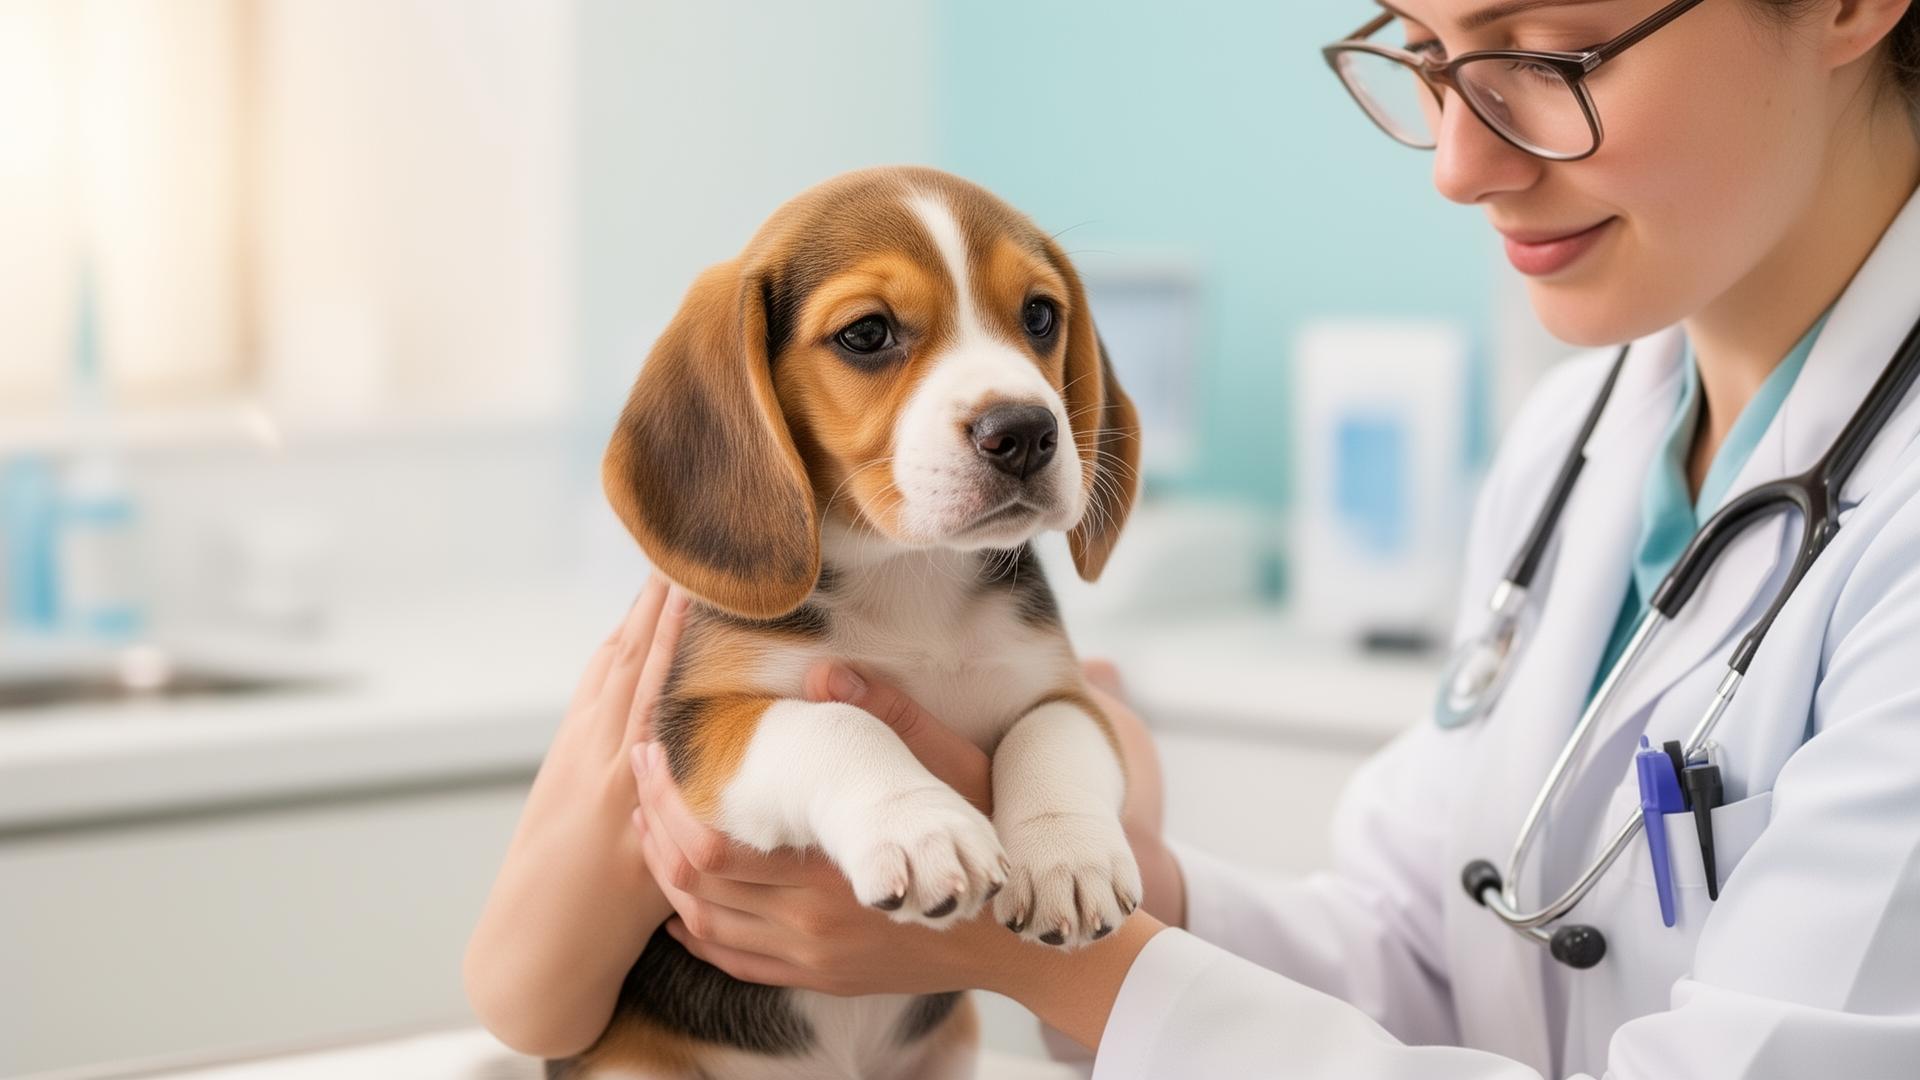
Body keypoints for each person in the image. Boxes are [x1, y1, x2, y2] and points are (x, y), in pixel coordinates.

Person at [466, 0, 1920, 1074]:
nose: (1458, 164)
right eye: (1425, 56)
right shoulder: (1581, 434)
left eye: (1555, 53)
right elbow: (1427, 951)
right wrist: (1115, 875)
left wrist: (1043, 958)